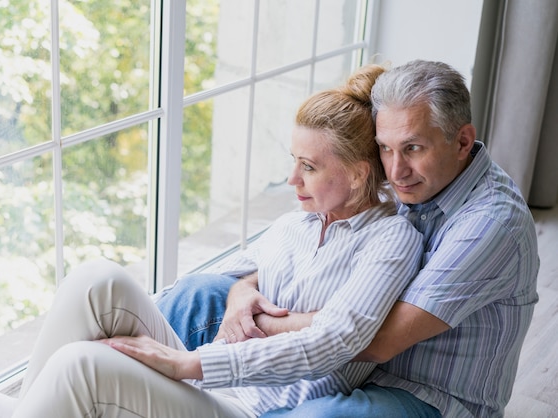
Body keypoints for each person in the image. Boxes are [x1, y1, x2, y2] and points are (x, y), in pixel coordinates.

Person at [0, 64, 425, 417]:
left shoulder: (390, 239)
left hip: (255, 408)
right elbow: (238, 270)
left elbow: (337, 339)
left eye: (310, 167)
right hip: (215, 388)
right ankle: (22, 409)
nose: (291, 178)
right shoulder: (296, 224)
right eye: (294, 159)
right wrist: (241, 293)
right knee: (97, 280)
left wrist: (189, 363)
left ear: (360, 173)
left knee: (82, 365)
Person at [157, 59, 540, 418]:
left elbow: (371, 341)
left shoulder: (491, 224)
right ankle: (131, 380)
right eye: (384, 149)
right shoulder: (408, 182)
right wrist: (243, 290)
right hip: (344, 365)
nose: (395, 169)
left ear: (461, 142)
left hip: (420, 393)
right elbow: (288, 253)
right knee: (195, 294)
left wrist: (257, 323)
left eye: (413, 148)